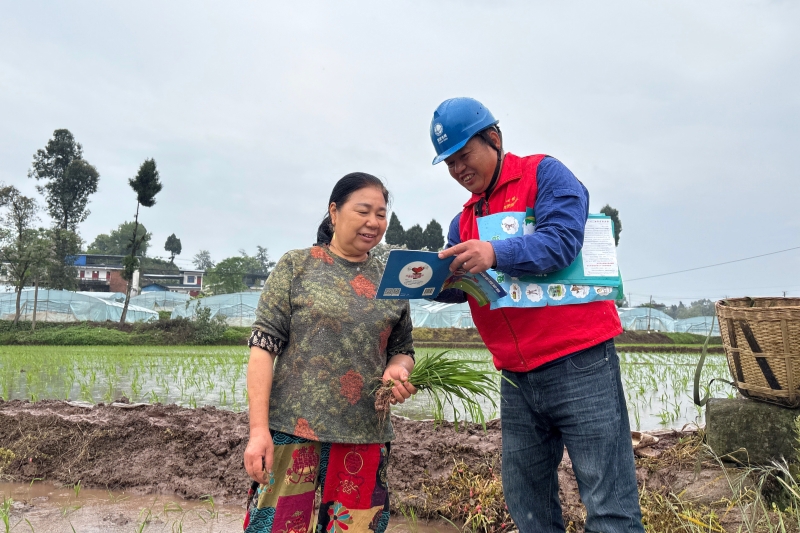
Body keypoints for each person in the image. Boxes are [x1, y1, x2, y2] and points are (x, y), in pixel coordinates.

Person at [429, 97, 644, 533]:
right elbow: (477, 292)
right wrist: (437, 281)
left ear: (494, 137)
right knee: (527, 504)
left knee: (608, 502)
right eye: (449, 163)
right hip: (516, 375)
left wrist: (493, 252)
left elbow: (562, 241)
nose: (458, 170)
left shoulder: (544, 174)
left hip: (579, 363)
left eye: (464, 156)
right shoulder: (462, 221)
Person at [242, 172, 417, 533]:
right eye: (363, 211)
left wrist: (398, 370)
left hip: (364, 434)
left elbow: (402, 350)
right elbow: (263, 349)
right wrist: (258, 431)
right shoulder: (297, 266)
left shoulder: (392, 280)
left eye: (381, 214)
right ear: (334, 212)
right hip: (292, 429)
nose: (373, 222)